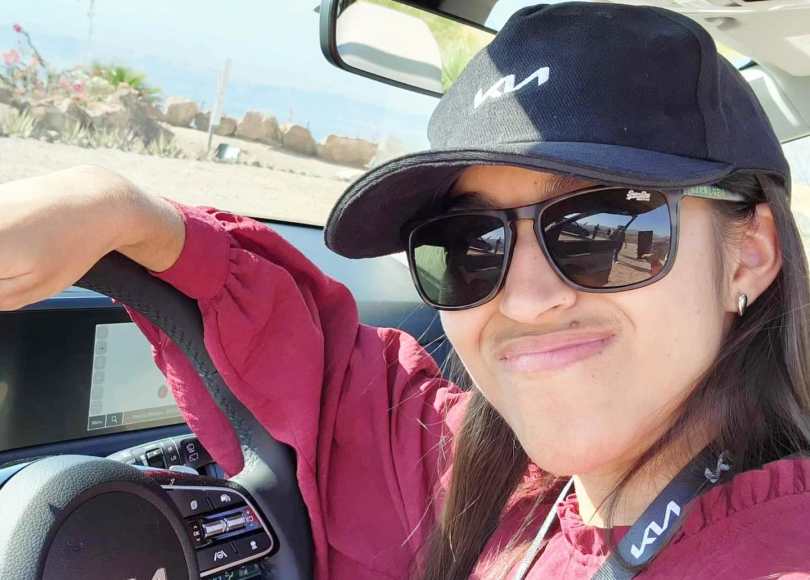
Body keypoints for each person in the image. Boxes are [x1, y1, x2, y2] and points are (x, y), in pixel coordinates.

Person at [1, 3, 810, 579]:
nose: (524, 301)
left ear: (750, 254)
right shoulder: (489, 481)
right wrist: (121, 213)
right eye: (467, 246)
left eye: (602, 228)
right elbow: (326, 380)